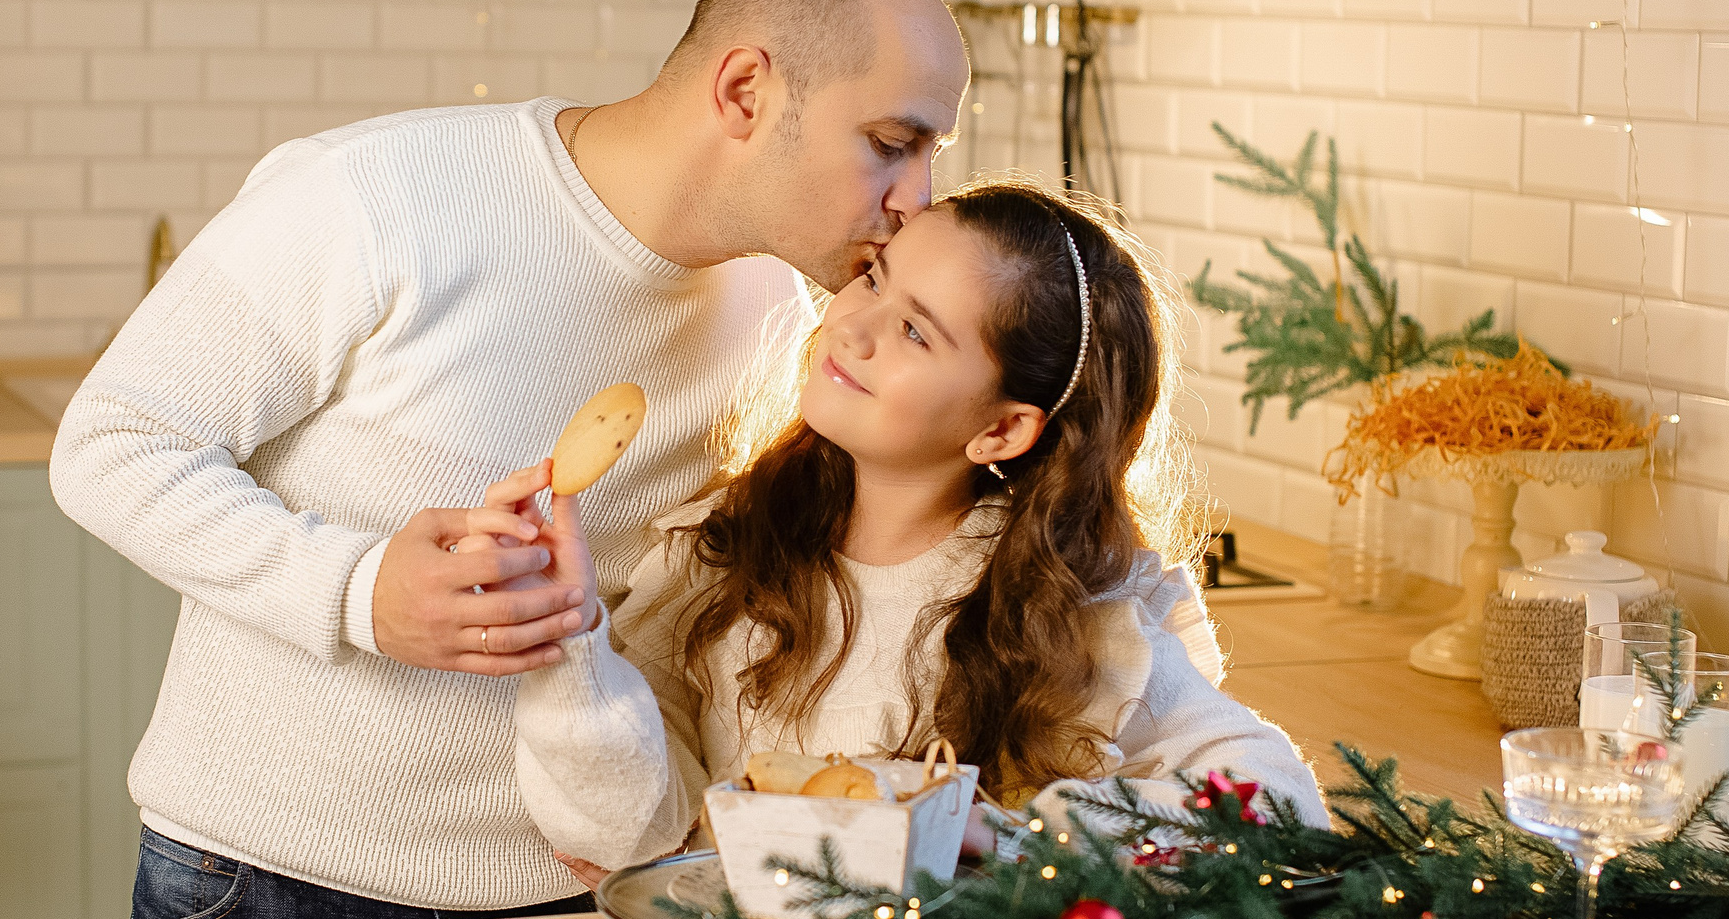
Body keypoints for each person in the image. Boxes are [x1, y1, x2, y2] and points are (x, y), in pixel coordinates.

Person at [48, 0, 970, 919]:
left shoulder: (793, 327)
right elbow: (113, 443)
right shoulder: (375, 196)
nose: (917, 194)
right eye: (894, 140)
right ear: (748, 89)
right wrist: (363, 587)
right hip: (260, 915)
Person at [497, 178, 1328, 877]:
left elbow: (1276, 803)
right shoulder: (725, 549)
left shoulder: (1071, 612)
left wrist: (1000, 837)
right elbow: (624, 833)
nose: (849, 325)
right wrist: (569, 636)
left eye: (913, 330)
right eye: (873, 279)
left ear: (1001, 431)